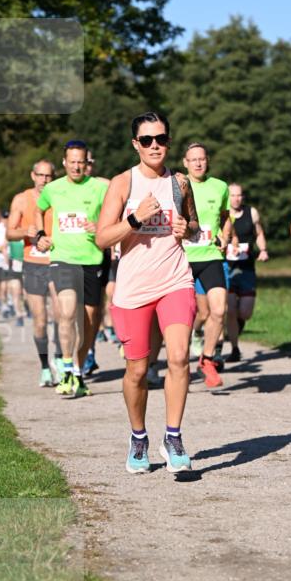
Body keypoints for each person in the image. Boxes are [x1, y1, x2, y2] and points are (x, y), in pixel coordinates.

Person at [96, 112, 199, 475]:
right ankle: (138, 438)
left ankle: (173, 437)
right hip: (134, 287)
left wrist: (187, 229)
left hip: (175, 280)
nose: (155, 145)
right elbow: (102, 238)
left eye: (161, 139)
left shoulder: (181, 182)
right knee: (138, 370)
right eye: (147, 140)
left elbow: (194, 226)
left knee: (180, 357)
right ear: (135, 145)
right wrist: (135, 219)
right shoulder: (122, 184)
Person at [35, 141, 108, 398]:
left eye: (81, 161)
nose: (77, 166)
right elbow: (39, 209)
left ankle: (77, 369)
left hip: (92, 259)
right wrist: (40, 234)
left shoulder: (100, 187)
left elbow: (116, 215)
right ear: (64, 162)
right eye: (72, 161)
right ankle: (66, 367)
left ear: (87, 162)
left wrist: (99, 225)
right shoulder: (53, 189)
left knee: (90, 321)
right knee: (66, 312)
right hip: (63, 258)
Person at [7, 160, 62, 387]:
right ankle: (44, 366)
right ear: (33, 176)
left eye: (48, 176)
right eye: (40, 175)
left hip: (58, 260)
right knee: (40, 319)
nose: (44, 180)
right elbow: (9, 233)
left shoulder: (60, 195)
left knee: (61, 314)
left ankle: (60, 358)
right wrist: (24, 232)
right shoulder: (21, 199)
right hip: (33, 263)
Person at [182, 143, 231, 388]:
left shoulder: (220, 186)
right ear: (185, 162)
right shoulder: (177, 186)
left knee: (219, 310)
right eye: (193, 160)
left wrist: (227, 235)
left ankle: (207, 359)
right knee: (183, 316)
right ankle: (171, 363)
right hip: (182, 257)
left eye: (202, 159)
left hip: (211, 255)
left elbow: (225, 216)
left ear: (207, 160)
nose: (198, 163)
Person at [225, 183, 269, 362]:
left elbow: (259, 233)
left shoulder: (252, 213)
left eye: (239, 195)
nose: (236, 198)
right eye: (233, 195)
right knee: (230, 309)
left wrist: (263, 249)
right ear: (227, 197)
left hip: (247, 268)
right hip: (227, 268)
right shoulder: (223, 214)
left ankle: (239, 323)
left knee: (245, 312)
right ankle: (234, 349)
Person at [82, 150, 112, 377]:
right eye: (83, 161)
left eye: (90, 161)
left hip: (100, 251)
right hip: (68, 254)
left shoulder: (105, 185)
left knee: (97, 306)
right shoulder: (61, 187)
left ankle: (88, 350)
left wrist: (101, 226)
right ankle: (67, 353)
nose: (87, 165)